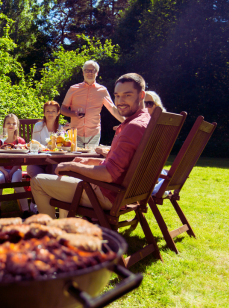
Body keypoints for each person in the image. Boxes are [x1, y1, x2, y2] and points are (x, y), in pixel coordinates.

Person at [31, 73, 149, 219]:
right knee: (62, 178)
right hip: (125, 193)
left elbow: (108, 174)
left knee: (37, 182)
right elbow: (121, 165)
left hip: (107, 194)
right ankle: (63, 225)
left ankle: (51, 234)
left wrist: (72, 167)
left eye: (127, 95)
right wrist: (90, 162)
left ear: (142, 95)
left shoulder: (133, 127)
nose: (120, 101)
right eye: (117, 96)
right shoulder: (146, 122)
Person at [61, 60, 124, 148]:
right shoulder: (73, 89)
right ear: (83, 73)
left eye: (93, 70)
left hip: (93, 133)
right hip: (76, 133)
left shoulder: (102, 90)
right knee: (75, 159)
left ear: (97, 73)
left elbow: (112, 108)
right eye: (87, 70)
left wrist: (126, 121)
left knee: (89, 159)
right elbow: (63, 109)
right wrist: (73, 114)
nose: (90, 73)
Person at [0, 114, 29, 217]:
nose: (11, 125)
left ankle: (25, 210)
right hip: (0, 168)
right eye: (8, 123)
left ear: (17, 126)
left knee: (16, 182)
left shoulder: (20, 141)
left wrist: (12, 171)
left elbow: (20, 160)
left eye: (14, 123)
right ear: (4, 125)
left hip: (15, 168)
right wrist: (4, 172)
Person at [26, 101, 64, 178]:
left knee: (55, 172)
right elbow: (35, 145)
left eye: (53, 111)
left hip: (54, 161)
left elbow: (62, 147)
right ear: (44, 113)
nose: (50, 114)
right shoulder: (38, 126)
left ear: (58, 113)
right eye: (48, 111)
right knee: (32, 170)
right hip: (38, 161)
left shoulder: (61, 128)